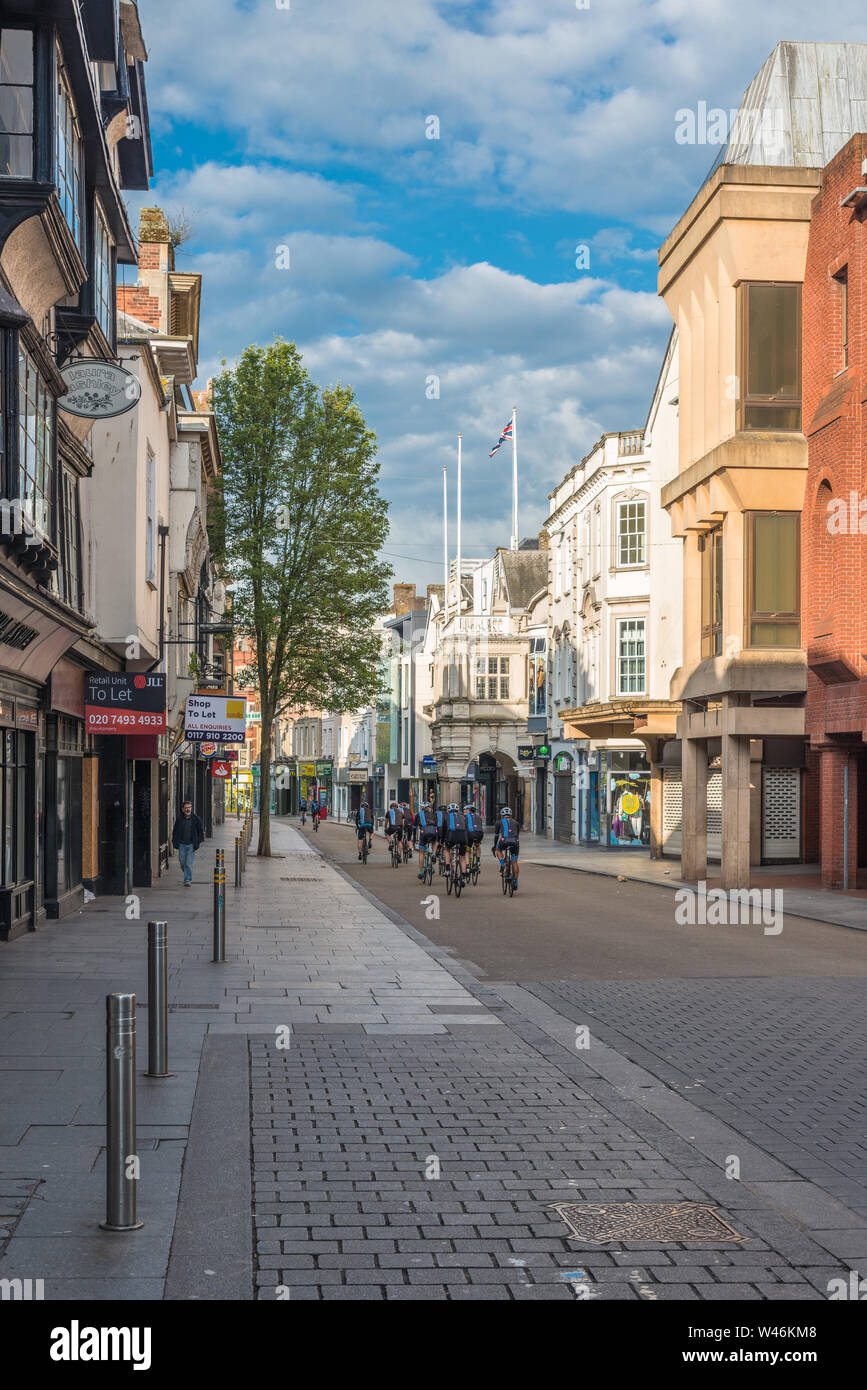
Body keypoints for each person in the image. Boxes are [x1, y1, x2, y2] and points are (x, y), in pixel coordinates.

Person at [172, 800, 205, 886]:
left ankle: (188, 880)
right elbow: (175, 831)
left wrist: (198, 841)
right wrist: (174, 841)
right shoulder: (179, 819)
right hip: (182, 844)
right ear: (183, 809)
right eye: (186, 808)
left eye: (189, 807)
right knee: (182, 862)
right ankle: (186, 871)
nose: (188, 809)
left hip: (191, 844)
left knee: (188, 863)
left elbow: (200, 831)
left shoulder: (196, 819)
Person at [493, 805, 520, 889]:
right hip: (515, 842)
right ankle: (515, 882)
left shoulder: (499, 822)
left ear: (501, 815)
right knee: (514, 862)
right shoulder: (516, 822)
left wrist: (494, 846)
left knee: (498, 849)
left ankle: (502, 864)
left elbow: (496, 836)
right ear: (511, 815)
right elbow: (517, 834)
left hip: (504, 841)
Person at [444, 802, 468, 883]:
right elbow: (467, 829)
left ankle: (447, 869)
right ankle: (464, 878)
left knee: (447, 849)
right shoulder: (463, 817)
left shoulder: (447, 817)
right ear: (458, 810)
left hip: (451, 837)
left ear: (449, 811)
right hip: (463, 838)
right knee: (462, 858)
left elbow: (443, 830)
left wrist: (442, 839)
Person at [415, 800, 438, 879]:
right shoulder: (433, 814)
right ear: (428, 808)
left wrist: (414, 839)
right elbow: (437, 824)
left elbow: (414, 827)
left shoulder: (418, 815)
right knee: (435, 842)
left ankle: (421, 872)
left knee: (421, 852)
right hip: (433, 831)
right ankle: (434, 853)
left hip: (424, 832)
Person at [464, 801, 484, 871]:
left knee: (467, 850)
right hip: (479, 834)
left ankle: (468, 866)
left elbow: (464, 828)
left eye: (465, 810)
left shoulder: (465, 817)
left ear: (468, 810)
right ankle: (478, 860)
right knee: (477, 845)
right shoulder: (479, 817)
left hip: (470, 834)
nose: (464, 811)